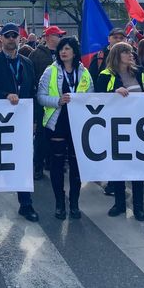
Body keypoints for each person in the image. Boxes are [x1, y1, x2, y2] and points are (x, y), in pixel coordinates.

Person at [0, 23, 39, 224]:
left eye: (15, 36)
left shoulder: (27, 63)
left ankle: (26, 205)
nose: (12, 39)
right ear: (1, 38)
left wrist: (34, 119)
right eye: (8, 36)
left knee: (23, 164)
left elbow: (32, 93)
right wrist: (5, 95)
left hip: (21, 123)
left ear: (20, 38)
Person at [96, 42, 144, 220]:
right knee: (119, 168)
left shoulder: (140, 72)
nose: (131, 54)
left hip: (138, 127)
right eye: (126, 52)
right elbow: (97, 98)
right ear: (116, 55)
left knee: (137, 168)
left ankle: (138, 207)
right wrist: (113, 92)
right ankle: (120, 204)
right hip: (116, 126)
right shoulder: (106, 75)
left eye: (131, 51)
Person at [37, 37, 93, 220]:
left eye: (67, 48)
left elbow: (91, 96)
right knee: (57, 163)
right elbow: (40, 97)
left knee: (77, 165)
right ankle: (60, 202)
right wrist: (58, 101)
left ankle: (74, 203)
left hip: (78, 123)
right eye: (61, 48)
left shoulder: (84, 72)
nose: (63, 52)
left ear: (74, 52)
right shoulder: (50, 71)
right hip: (57, 122)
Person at [29, 25, 66, 180]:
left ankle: (53, 162)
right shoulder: (36, 55)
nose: (60, 38)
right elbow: (30, 77)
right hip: (42, 102)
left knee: (57, 133)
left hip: (60, 102)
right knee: (41, 136)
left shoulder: (63, 54)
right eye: (58, 35)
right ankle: (38, 166)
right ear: (49, 37)